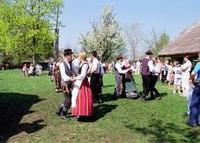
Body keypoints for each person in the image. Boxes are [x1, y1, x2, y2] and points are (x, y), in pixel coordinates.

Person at [71, 52, 93, 118]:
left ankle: (84, 112)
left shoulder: (85, 64)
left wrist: (76, 78)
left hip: (83, 83)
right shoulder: (82, 63)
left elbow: (83, 75)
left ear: (82, 57)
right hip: (80, 81)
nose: (78, 57)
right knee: (77, 96)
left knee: (83, 97)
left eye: (79, 56)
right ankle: (79, 112)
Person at [56, 49, 75, 119]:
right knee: (69, 101)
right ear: (66, 56)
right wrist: (71, 78)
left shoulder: (70, 63)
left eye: (71, 55)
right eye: (70, 55)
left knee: (67, 99)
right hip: (65, 85)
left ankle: (59, 109)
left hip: (70, 83)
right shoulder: (62, 64)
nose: (71, 56)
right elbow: (64, 76)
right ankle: (63, 113)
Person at [187, 60, 200, 127]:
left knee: (194, 103)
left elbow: (192, 73)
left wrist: (193, 81)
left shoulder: (199, 64)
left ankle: (193, 121)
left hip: (199, 85)